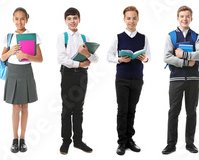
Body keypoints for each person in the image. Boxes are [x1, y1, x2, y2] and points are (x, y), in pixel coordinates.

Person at [107, 6, 151, 156]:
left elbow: (148, 56)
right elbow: (109, 56)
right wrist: (119, 59)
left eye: (134, 18)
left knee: (132, 110)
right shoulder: (118, 37)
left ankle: (130, 140)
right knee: (122, 110)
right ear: (124, 19)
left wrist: (145, 59)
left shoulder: (143, 38)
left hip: (137, 78)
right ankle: (121, 142)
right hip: (122, 78)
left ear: (138, 19)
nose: (131, 21)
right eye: (128, 18)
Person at [162, 5, 199, 155]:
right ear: (177, 18)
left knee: (191, 112)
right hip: (176, 80)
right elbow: (166, 57)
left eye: (187, 16)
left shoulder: (196, 36)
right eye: (182, 16)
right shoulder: (171, 36)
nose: (184, 19)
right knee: (173, 112)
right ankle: (171, 144)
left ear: (191, 18)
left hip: (193, 79)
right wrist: (186, 62)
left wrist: (185, 55)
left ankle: (190, 143)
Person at [0, 7, 43, 153]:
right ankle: (14, 138)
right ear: (13, 20)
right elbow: (2, 58)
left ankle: (23, 139)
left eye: (22, 18)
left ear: (27, 19)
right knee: (15, 107)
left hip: (25, 71)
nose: (19, 21)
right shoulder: (8, 36)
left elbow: (40, 59)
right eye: (16, 18)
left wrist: (25, 55)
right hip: (12, 72)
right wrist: (11, 51)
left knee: (24, 106)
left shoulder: (33, 36)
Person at [57, 7, 97, 155]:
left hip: (81, 76)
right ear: (65, 21)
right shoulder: (63, 37)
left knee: (79, 108)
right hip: (68, 74)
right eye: (69, 19)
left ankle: (78, 141)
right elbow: (61, 59)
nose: (72, 21)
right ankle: (66, 141)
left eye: (75, 18)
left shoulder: (85, 38)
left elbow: (95, 59)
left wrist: (86, 54)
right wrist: (80, 63)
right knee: (67, 109)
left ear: (79, 19)